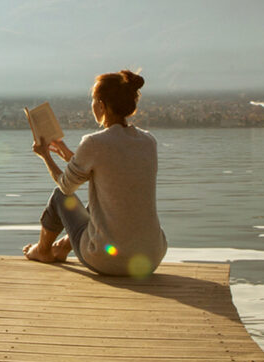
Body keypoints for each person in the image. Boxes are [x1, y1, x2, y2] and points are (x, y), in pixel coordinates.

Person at [24, 69, 167, 278]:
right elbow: (110, 173)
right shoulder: (148, 141)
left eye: (93, 100)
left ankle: (43, 250)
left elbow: (66, 186)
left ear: (101, 105)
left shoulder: (94, 142)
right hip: (151, 257)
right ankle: (62, 248)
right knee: (103, 199)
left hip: (109, 260)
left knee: (59, 196)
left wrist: (46, 155)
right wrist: (67, 154)